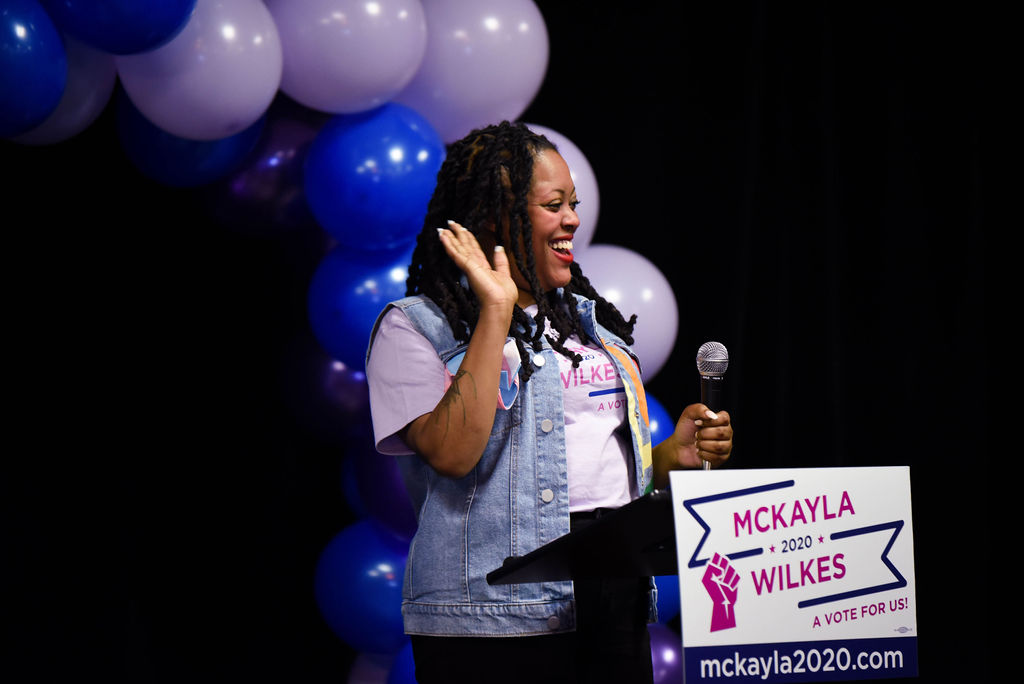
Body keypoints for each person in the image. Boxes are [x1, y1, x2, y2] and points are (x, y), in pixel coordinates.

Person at [365, 121, 732, 683]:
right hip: (493, 619)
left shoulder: (594, 331)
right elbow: (452, 454)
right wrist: (496, 310)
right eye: (554, 205)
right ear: (498, 216)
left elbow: (595, 474)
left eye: (574, 205)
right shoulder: (416, 327)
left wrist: (667, 459)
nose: (572, 220)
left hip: (614, 600)